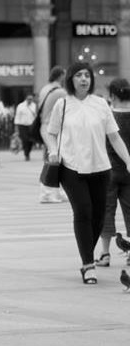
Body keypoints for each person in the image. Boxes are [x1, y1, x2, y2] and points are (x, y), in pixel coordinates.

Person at [45, 64, 130, 285]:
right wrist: (53, 151)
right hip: (71, 167)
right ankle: (88, 264)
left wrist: (128, 160)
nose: (84, 79)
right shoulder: (62, 105)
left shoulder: (101, 104)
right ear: (71, 79)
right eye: (79, 75)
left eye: (87, 76)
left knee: (99, 216)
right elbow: (51, 133)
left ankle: (86, 253)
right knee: (83, 212)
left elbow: (114, 137)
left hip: (101, 168)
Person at [96, 78, 130, 267]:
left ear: (113, 95)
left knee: (106, 211)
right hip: (129, 170)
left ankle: (105, 254)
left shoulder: (108, 115)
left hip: (108, 170)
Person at [37, 66, 68, 204]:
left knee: (54, 157)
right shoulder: (60, 91)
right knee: (54, 157)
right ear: (61, 76)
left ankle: (56, 191)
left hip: (45, 126)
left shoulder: (45, 88)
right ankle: (47, 192)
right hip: (52, 127)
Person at [13, 94, 37, 161]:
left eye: (31, 99)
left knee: (31, 141)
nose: (30, 100)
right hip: (22, 126)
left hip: (31, 126)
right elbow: (17, 117)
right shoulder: (20, 106)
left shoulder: (34, 106)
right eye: (29, 99)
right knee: (25, 140)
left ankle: (28, 152)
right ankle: (26, 154)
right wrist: (16, 127)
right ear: (26, 99)